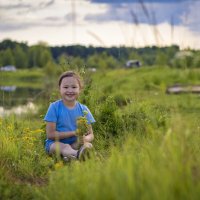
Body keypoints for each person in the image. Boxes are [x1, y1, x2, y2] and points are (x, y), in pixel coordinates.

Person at [44, 71, 95, 161]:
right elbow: (50, 135)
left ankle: (70, 158)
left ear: (80, 89)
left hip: (75, 142)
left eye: (74, 87)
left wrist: (85, 138)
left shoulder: (84, 109)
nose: (70, 90)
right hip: (55, 144)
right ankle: (78, 154)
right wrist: (74, 133)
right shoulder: (54, 107)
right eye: (66, 87)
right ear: (59, 89)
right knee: (65, 147)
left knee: (88, 145)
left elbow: (91, 134)